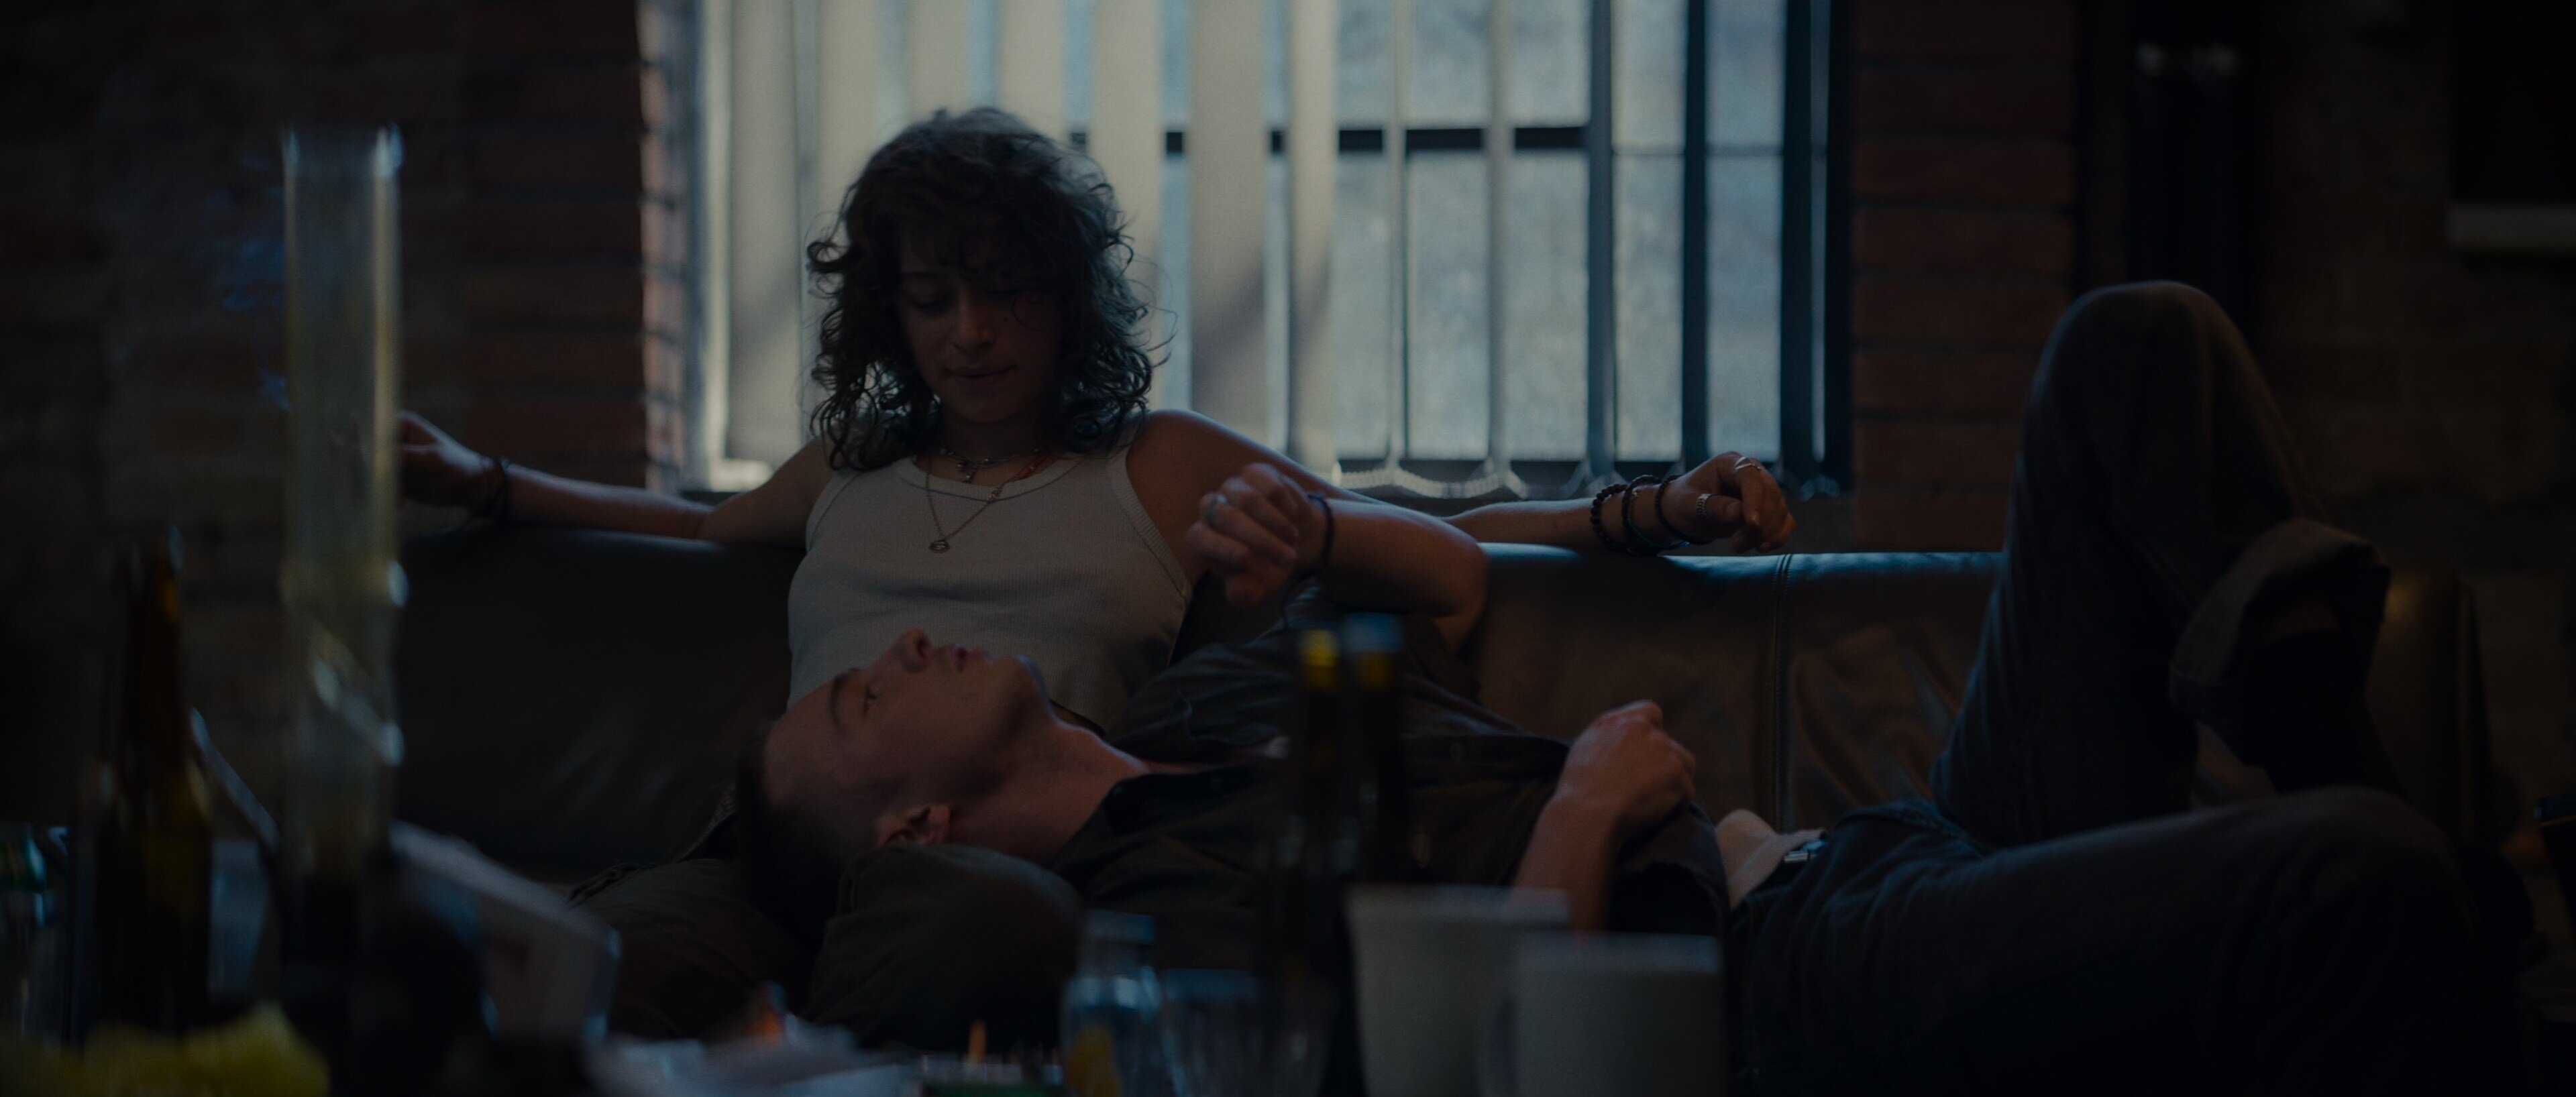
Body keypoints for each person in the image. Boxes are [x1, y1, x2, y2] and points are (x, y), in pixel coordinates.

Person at [741, 283, 2501, 1094]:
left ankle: (2420, 848)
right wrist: (1578, 815)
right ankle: (2451, 887)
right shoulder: (1157, 937)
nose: (894, 651)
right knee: (2346, 877)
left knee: (2134, 344)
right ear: (915, 823)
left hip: (1885, 852)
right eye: (854, 702)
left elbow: (1449, 576)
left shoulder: (1209, 703)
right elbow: (1458, 1077)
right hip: (1783, 982)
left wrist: (1322, 527)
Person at [397, 107, 1797, 731]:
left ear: (1067, 302)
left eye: (1007, 291)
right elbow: (699, 528)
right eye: (934, 299)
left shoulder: (1154, 464)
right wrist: (489, 483)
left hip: (1008, 860)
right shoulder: (851, 468)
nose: (972, 332)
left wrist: (1650, 511)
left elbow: (1432, 534)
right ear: (894, 314)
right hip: (779, 852)